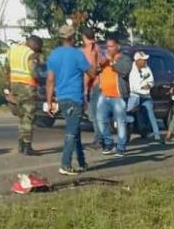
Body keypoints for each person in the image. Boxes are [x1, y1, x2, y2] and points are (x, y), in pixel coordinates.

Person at [46, 24, 95, 176]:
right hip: (74, 97)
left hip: (62, 98)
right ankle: (65, 164)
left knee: (75, 130)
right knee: (71, 133)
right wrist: (95, 60)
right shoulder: (77, 54)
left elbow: (50, 80)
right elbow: (91, 73)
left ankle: (81, 161)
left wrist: (49, 102)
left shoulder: (53, 55)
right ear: (72, 38)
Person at [4, 35, 43, 155]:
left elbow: (6, 70)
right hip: (28, 88)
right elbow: (34, 73)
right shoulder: (31, 54)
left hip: (14, 86)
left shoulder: (12, 50)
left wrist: (6, 88)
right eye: (38, 47)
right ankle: (27, 146)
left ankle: (21, 144)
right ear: (35, 45)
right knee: (28, 117)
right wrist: (41, 80)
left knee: (21, 116)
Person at [96, 37, 133, 157]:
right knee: (100, 119)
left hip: (118, 95)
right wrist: (101, 62)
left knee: (120, 122)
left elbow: (125, 71)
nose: (109, 49)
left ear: (118, 47)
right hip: (104, 94)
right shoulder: (105, 59)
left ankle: (121, 147)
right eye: (107, 47)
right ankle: (108, 143)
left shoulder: (125, 59)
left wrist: (112, 61)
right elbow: (96, 70)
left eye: (111, 46)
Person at [127, 51, 162, 143]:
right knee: (128, 112)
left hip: (146, 95)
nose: (146, 61)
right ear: (138, 61)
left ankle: (157, 136)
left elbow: (151, 80)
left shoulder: (147, 68)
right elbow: (133, 86)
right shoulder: (131, 69)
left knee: (151, 114)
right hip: (134, 95)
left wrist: (149, 85)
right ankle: (126, 135)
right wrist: (141, 87)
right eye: (144, 60)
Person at [79, 28, 104, 149]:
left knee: (94, 115)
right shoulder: (97, 48)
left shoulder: (88, 50)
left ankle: (99, 140)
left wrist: (85, 90)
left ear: (84, 37)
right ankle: (101, 139)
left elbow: (89, 71)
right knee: (98, 114)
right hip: (100, 83)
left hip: (94, 85)